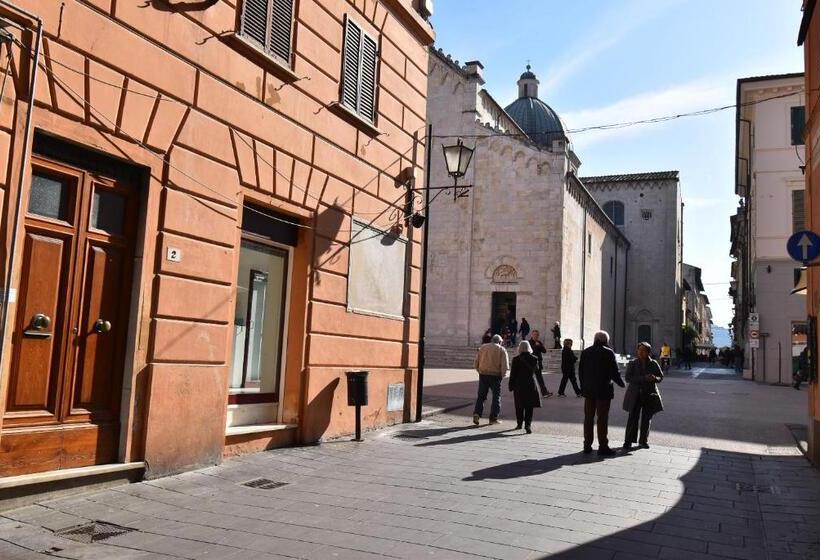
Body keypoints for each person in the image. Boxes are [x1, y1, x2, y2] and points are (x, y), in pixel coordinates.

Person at [578, 331, 625, 456]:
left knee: (588, 417)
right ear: (605, 341)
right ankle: (603, 446)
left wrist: (583, 387)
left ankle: (587, 445)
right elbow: (614, 372)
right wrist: (622, 383)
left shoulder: (586, 352)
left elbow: (581, 372)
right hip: (603, 391)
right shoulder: (608, 352)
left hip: (589, 391)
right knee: (602, 418)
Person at [622, 342, 664, 450]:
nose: (641, 352)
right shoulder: (633, 363)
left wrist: (655, 378)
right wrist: (643, 378)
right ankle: (628, 441)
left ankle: (643, 441)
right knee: (632, 418)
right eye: (639, 350)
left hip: (649, 394)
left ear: (648, 352)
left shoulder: (654, 363)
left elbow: (661, 377)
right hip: (635, 394)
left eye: (643, 350)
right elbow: (628, 378)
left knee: (646, 419)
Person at [509, 340, 547, 433]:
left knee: (519, 405)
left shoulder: (516, 359)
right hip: (530, 383)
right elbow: (536, 370)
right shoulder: (534, 358)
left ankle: (519, 424)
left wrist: (511, 385)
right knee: (529, 406)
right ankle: (528, 425)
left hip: (519, 385)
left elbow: (513, 374)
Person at [473, 334, 509, 425]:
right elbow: (504, 365)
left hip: (483, 374)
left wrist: (479, 370)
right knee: (496, 397)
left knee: (481, 396)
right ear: (500, 342)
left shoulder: (483, 347)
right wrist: (503, 375)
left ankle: (477, 413)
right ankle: (493, 418)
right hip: (495, 376)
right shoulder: (501, 349)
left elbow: (476, 361)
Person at [528, 330, 554, 396]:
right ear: (532, 335)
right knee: (528, 378)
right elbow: (529, 352)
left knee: (540, 379)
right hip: (530, 364)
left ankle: (544, 393)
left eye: (537, 335)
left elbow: (544, 351)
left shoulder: (539, 342)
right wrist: (535, 346)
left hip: (538, 363)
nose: (536, 336)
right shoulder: (528, 342)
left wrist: (539, 346)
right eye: (534, 335)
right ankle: (525, 392)